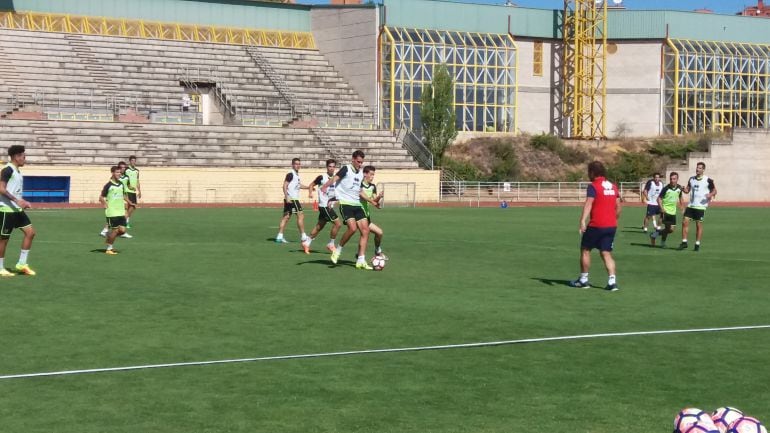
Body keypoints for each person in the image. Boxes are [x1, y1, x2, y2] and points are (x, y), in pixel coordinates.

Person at [569, 161, 621, 291]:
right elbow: (619, 205)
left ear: (592, 172)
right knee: (606, 253)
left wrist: (582, 220)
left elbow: (589, 203)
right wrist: (614, 219)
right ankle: (612, 282)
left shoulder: (593, 186)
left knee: (586, 250)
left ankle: (583, 280)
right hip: (611, 225)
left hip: (596, 224)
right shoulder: (613, 187)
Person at [321, 150, 371, 270]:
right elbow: (335, 178)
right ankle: (337, 251)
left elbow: (359, 190)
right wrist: (324, 186)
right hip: (345, 204)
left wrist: (372, 201)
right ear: (353, 159)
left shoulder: (360, 173)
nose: (360, 164)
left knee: (365, 231)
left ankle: (361, 260)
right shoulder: (346, 169)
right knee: (352, 228)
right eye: (358, 162)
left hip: (357, 204)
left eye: (361, 162)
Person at [0, 145, 36, 276]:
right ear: (16, 157)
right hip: (7, 210)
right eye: (23, 156)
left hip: (17, 210)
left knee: (30, 233)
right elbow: (1, 188)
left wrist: (22, 201)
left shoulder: (17, 171)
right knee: (3, 239)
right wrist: (17, 200)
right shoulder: (7, 170)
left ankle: (21, 264)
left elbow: (13, 190)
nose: (25, 159)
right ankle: (0, 268)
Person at [302, 159, 341, 254]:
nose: (331, 168)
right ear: (327, 167)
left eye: (333, 166)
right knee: (337, 224)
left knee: (319, 226)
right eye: (330, 166)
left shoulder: (336, 178)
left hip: (330, 205)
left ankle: (306, 243)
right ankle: (331, 244)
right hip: (324, 205)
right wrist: (310, 193)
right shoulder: (322, 177)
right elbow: (311, 184)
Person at [679, 162, 717, 252]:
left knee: (698, 225)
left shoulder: (708, 180)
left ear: (703, 169)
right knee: (684, 222)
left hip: (700, 207)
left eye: (700, 168)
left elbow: (715, 190)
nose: (697, 169)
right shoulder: (691, 179)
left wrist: (710, 194)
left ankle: (697, 244)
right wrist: (683, 189)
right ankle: (684, 242)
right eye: (697, 168)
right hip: (691, 205)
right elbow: (687, 190)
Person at [276, 158, 310, 244]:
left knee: (286, 217)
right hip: (293, 199)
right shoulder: (291, 174)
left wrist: (308, 187)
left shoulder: (296, 175)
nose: (298, 165)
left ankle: (279, 237)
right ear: (292, 164)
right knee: (300, 216)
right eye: (296, 164)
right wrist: (287, 197)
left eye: (299, 164)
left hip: (290, 199)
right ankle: (303, 236)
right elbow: (284, 185)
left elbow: (298, 185)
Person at [100, 166, 131, 255]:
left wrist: (129, 202)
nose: (119, 174)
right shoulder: (108, 185)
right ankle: (109, 249)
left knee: (122, 231)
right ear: (113, 173)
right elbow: (101, 197)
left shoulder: (121, 184)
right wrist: (105, 204)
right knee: (115, 230)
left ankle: (109, 238)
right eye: (117, 172)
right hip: (112, 212)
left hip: (120, 211)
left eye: (120, 173)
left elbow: (123, 195)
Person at [360, 165, 387, 259]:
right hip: (357, 215)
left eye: (373, 175)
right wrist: (372, 201)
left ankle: (377, 250)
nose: (372, 177)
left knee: (379, 233)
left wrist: (379, 196)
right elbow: (361, 197)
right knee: (365, 234)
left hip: (366, 216)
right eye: (371, 174)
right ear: (365, 174)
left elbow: (375, 201)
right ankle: (360, 255)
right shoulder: (359, 185)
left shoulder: (372, 186)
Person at [650, 172, 684, 248]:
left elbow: (680, 197)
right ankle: (662, 243)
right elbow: (659, 199)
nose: (672, 180)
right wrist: (662, 209)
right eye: (671, 179)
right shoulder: (666, 188)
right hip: (666, 211)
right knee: (668, 228)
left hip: (673, 212)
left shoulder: (679, 188)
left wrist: (682, 207)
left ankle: (654, 235)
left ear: (677, 179)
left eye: (674, 179)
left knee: (671, 230)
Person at [124, 155, 141, 229]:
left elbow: (137, 181)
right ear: (130, 161)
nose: (134, 162)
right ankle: (125, 222)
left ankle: (126, 222)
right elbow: (123, 179)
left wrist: (139, 191)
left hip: (133, 191)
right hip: (128, 190)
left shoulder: (137, 171)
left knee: (131, 207)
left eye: (135, 161)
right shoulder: (126, 170)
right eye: (132, 161)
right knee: (132, 206)